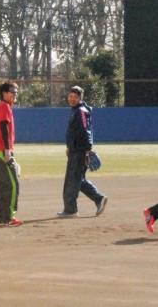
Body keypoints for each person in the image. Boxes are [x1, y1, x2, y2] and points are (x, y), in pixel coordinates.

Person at [58, 85, 107, 218]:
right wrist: (69, 147)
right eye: (70, 96)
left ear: (80, 98)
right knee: (77, 179)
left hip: (80, 151)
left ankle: (71, 210)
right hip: (75, 150)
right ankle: (99, 198)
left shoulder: (81, 111)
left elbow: (86, 130)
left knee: (72, 180)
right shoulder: (76, 110)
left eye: (75, 97)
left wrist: (87, 150)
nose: (72, 99)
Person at [0, 81, 23, 227]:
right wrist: (7, 150)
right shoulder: (4, 106)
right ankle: (9, 217)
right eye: (12, 92)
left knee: (3, 185)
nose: (15, 94)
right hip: (2, 151)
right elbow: (4, 127)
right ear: (4, 93)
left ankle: (0, 218)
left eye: (16, 92)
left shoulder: (3, 106)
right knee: (12, 185)